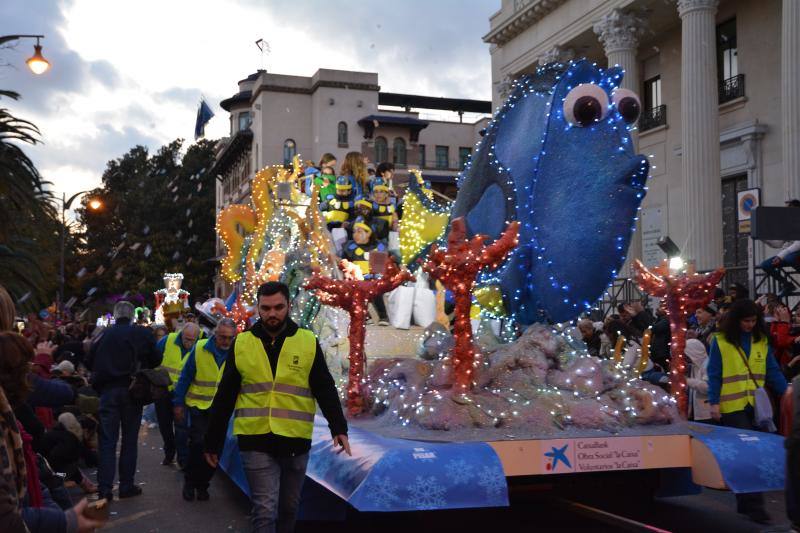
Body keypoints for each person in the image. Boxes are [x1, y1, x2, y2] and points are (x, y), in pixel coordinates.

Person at [204, 282, 349, 533]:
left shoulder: (307, 341)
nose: (272, 313)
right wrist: (212, 440)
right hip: (254, 438)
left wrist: (338, 426)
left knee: (289, 508)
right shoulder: (242, 343)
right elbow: (225, 395)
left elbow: (324, 386)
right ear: (258, 308)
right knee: (264, 510)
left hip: (295, 440)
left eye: (278, 307)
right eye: (266, 308)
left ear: (288, 306)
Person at [0, 332, 104, 533]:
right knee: (59, 478)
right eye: (25, 370)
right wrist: (66, 521)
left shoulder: (12, 419)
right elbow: (7, 518)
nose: (29, 377)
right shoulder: (69, 443)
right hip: (50, 473)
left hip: (43, 474)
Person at [707, 298, 790, 524]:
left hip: (757, 407)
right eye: (746, 321)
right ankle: (754, 506)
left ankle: (747, 503)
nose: (750, 325)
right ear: (736, 320)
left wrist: (787, 393)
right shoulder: (720, 341)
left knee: (754, 455)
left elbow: (772, 370)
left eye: (753, 321)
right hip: (732, 407)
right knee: (748, 454)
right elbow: (714, 373)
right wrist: (714, 402)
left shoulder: (761, 340)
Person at [86, 301, 161, 502]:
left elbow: (89, 359)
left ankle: (105, 488)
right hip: (132, 391)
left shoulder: (103, 334)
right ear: (132, 316)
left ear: (115, 315)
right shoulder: (141, 333)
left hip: (108, 391)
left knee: (107, 441)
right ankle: (126, 485)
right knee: (129, 440)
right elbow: (156, 359)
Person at [173, 318, 236, 502]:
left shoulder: (237, 352)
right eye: (222, 337)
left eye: (230, 338)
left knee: (216, 449)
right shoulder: (200, 348)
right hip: (199, 407)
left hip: (222, 410)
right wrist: (178, 403)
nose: (226, 341)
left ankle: (203, 484)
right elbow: (185, 376)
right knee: (198, 444)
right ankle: (190, 482)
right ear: (215, 334)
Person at [154, 322, 198, 467]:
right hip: (163, 392)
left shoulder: (199, 347)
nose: (189, 343)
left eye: (192, 340)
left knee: (181, 428)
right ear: (181, 334)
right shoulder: (167, 341)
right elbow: (153, 359)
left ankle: (182, 459)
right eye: (186, 339)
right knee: (165, 426)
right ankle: (169, 451)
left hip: (183, 394)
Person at [761, 199, 800, 297]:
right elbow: (778, 244)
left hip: (795, 253)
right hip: (787, 255)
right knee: (765, 265)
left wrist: (780, 256)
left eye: (787, 209)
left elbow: (798, 244)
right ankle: (787, 285)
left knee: (790, 258)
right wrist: (763, 237)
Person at [684, 339, 711, 422]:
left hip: (708, 414)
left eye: (687, 355)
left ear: (694, 352)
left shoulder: (708, 365)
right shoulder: (693, 366)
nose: (686, 358)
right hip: (697, 413)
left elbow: (708, 388)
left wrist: (686, 380)